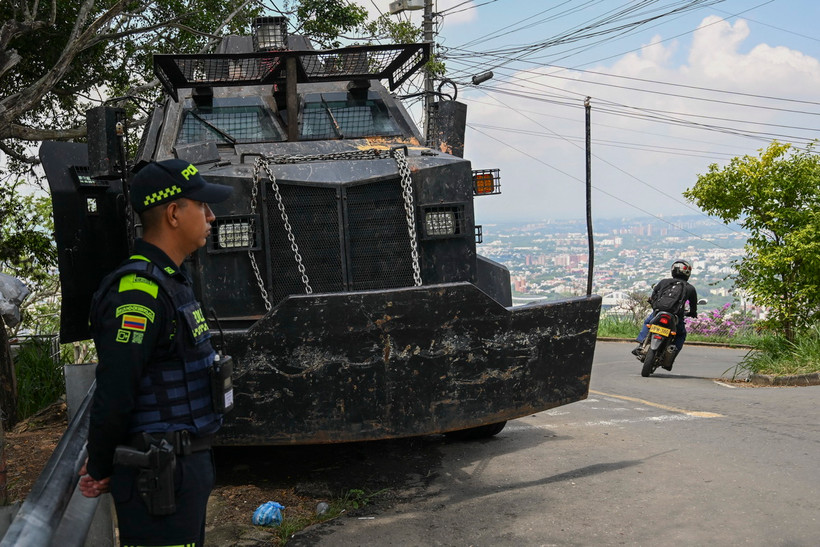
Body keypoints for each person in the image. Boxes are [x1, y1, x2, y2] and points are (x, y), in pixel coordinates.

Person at [78, 158, 233, 546]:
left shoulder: (171, 284)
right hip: (158, 476)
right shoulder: (138, 292)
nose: (211, 216)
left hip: (182, 470)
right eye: (202, 206)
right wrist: (100, 465)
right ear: (174, 213)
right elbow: (116, 388)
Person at [633, 260, 698, 368]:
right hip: (676, 316)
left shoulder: (664, 282)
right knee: (681, 334)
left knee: (648, 322)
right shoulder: (690, 288)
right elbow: (693, 305)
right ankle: (671, 356)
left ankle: (641, 343)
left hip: (659, 312)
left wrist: (654, 304)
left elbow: (653, 295)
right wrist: (692, 313)